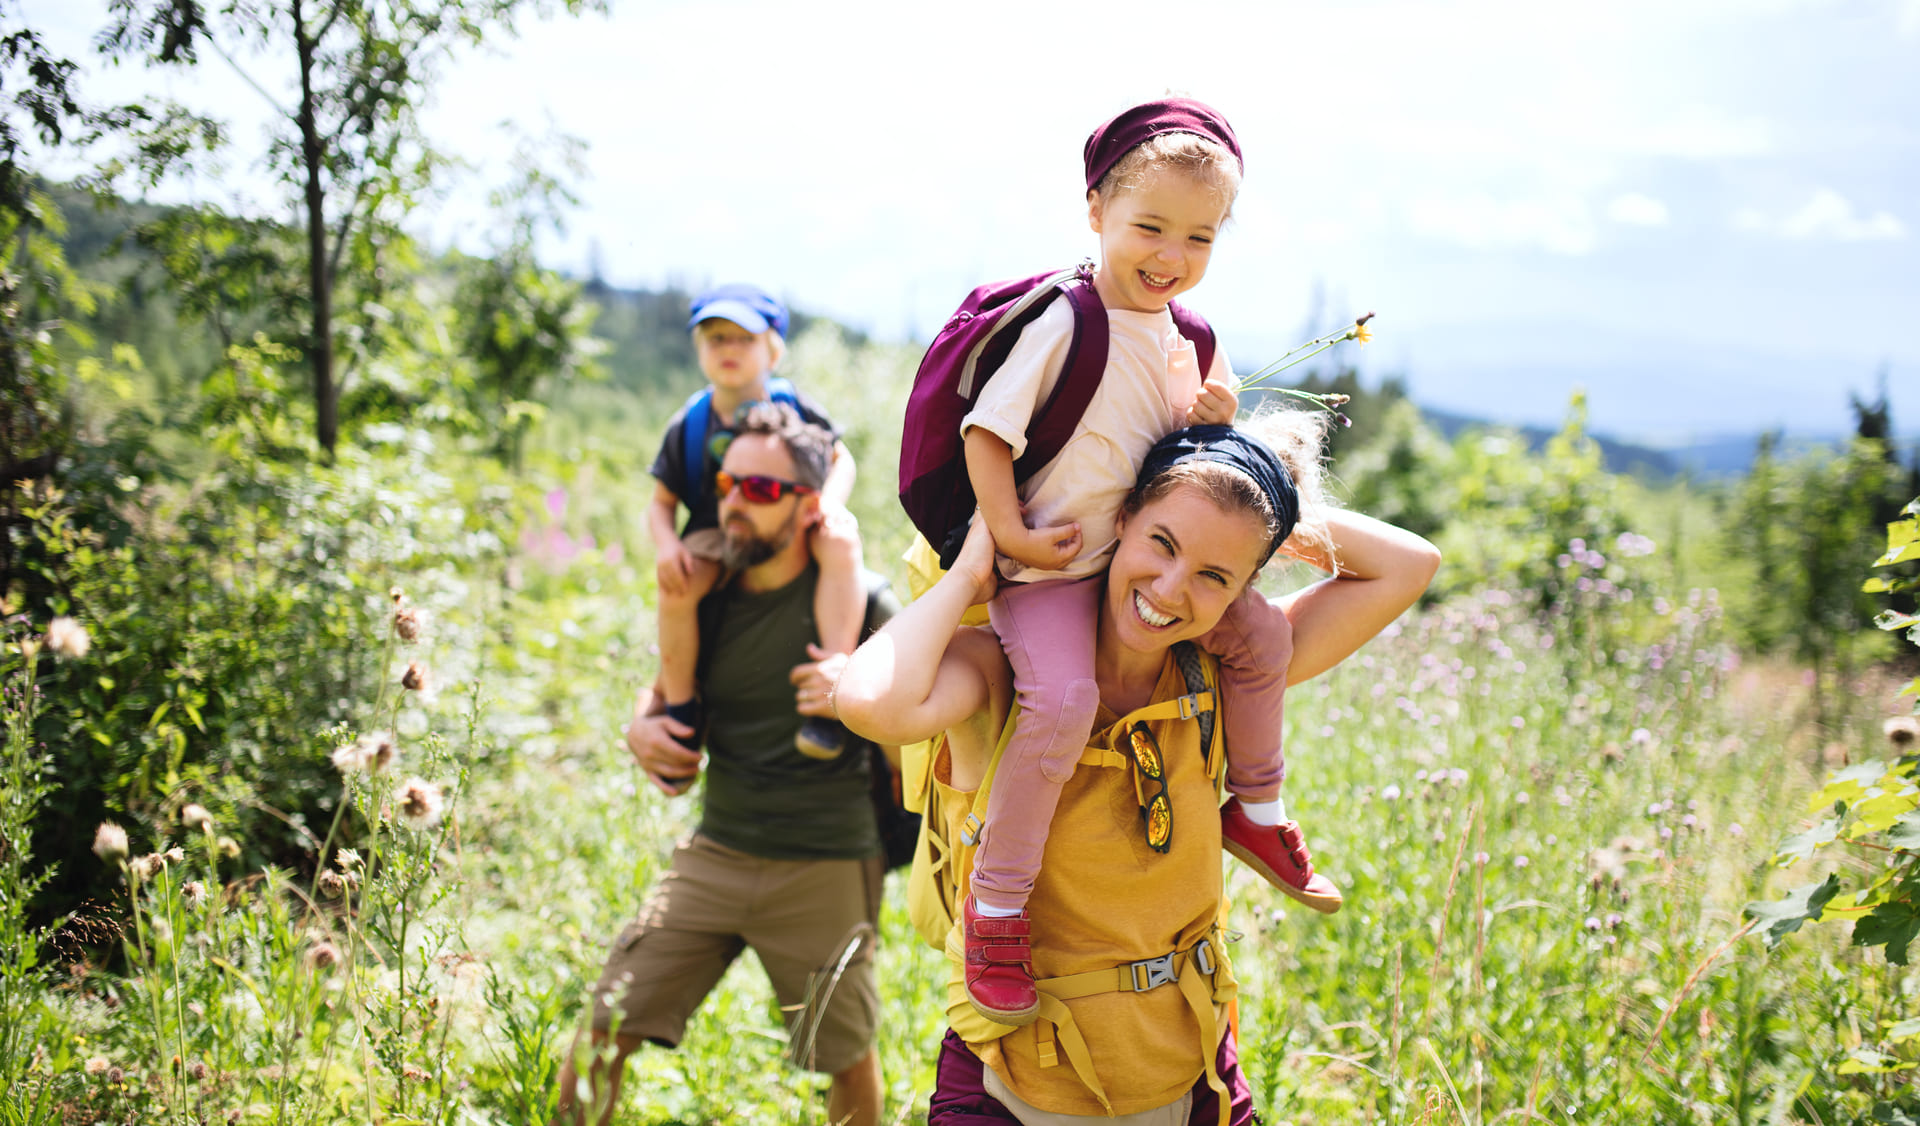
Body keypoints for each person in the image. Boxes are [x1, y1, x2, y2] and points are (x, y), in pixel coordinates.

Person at [835, 416, 1441, 1124]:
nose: (1172, 588)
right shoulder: (1001, 670)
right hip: (1011, 1084)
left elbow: (1411, 564)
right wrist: (974, 569)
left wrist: (1255, 493)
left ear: (1242, 588)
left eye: (1215, 575)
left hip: (1193, 1080)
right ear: (1118, 518)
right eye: (1163, 542)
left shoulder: (1223, 675)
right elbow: (870, 702)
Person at [948, 96, 1333, 1026]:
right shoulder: (1064, 322)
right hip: (1052, 569)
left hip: (1137, 564)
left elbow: (1211, 414)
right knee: (1064, 702)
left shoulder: (1186, 333)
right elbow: (986, 434)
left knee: (1260, 642)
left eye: (1198, 238)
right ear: (1096, 213)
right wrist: (1010, 537)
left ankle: (1258, 806)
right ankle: (997, 909)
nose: (1171, 255)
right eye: (1149, 228)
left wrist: (1214, 408)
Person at [558, 404, 899, 1126]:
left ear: (810, 507)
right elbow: (661, 698)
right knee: (601, 1029)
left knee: (843, 1055)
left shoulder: (864, 604)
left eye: (762, 490)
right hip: (716, 852)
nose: (735, 503)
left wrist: (861, 699)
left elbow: (918, 737)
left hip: (827, 861)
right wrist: (638, 732)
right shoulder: (707, 596)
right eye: (727, 483)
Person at [647, 283, 866, 760]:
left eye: (743, 339)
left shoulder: (796, 407)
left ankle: (828, 682)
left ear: (773, 349)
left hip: (789, 521)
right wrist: (667, 546)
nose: (729, 350)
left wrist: (829, 503)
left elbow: (840, 458)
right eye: (715, 339)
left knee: (841, 544)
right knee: (677, 588)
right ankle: (682, 708)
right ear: (699, 349)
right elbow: (661, 502)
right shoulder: (689, 423)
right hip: (715, 530)